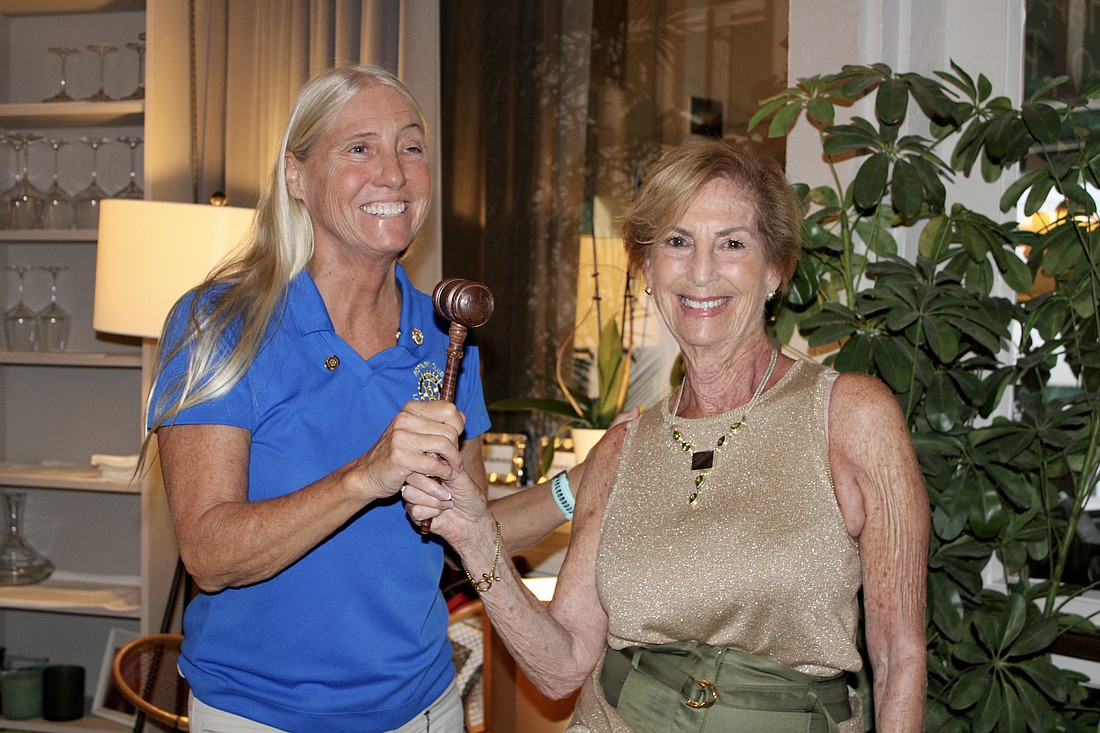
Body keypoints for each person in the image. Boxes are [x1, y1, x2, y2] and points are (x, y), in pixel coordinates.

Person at [405, 138, 930, 732]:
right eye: (677, 242)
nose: (701, 271)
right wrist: (477, 541)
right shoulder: (623, 448)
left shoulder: (850, 416)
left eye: (732, 243)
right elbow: (561, 668)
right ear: (648, 268)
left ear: (775, 270)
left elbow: (900, 657)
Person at [145, 64, 577, 733]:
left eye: (411, 148)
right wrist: (365, 476)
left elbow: (470, 531)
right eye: (359, 148)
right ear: (296, 175)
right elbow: (209, 556)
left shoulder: (446, 339)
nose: (394, 173)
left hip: (424, 709)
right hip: (262, 716)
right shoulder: (221, 325)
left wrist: (581, 487)